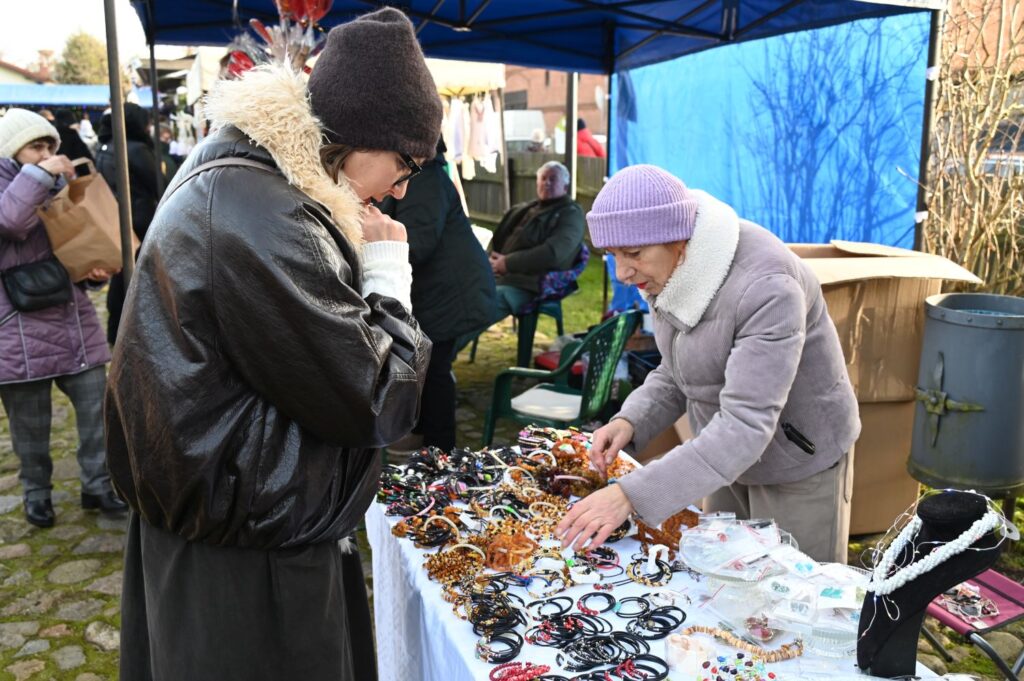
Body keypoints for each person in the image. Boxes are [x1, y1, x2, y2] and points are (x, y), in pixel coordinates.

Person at [104, 8, 441, 680]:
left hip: (233, 527)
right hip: (248, 559)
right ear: (360, 133)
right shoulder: (266, 211)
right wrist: (388, 275)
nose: (401, 189)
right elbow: (380, 400)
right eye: (405, 164)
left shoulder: (242, 175)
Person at [557, 164, 860, 564]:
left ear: (679, 239)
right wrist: (630, 420)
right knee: (719, 579)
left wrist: (631, 494)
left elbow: (745, 424)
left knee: (796, 601)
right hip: (722, 456)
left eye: (633, 254)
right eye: (612, 255)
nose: (623, 272)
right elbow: (680, 366)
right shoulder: (669, 267)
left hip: (798, 458)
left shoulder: (767, 286)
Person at [0, 108, 127, 528]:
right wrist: (39, 176)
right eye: (36, 146)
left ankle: (98, 484)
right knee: (30, 429)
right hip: (17, 329)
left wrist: (92, 275)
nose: (46, 154)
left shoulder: (56, 186)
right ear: (10, 148)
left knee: (98, 412)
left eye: (50, 146)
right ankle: (37, 493)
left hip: (71, 320)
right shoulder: (16, 187)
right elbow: (11, 222)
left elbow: (70, 252)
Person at [379, 137, 495, 451]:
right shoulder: (421, 176)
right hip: (444, 292)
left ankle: (439, 449)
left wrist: (377, 251)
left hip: (452, 296)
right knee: (431, 368)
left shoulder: (425, 180)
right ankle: (427, 437)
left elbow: (419, 242)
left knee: (434, 371)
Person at [478, 160, 585, 332]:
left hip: (532, 284)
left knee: (481, 304)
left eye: (553, 179)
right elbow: (499, 240)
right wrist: (493, 262)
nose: (546, 183)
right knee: (459, 292)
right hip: (502, 276)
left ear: (565, 186)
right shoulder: (524, 209)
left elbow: (552, 253)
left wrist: (508, 263)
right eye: (543, 178)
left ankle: (442, 352)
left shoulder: (571, 214)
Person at [93, 102, 164, 345]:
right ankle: (140, 332)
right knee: (144, 278)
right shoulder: (133, 150)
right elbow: (160, 185)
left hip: (117, 221)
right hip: (141, 221)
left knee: (120, 278)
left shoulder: (105, 147)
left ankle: (116, 331)